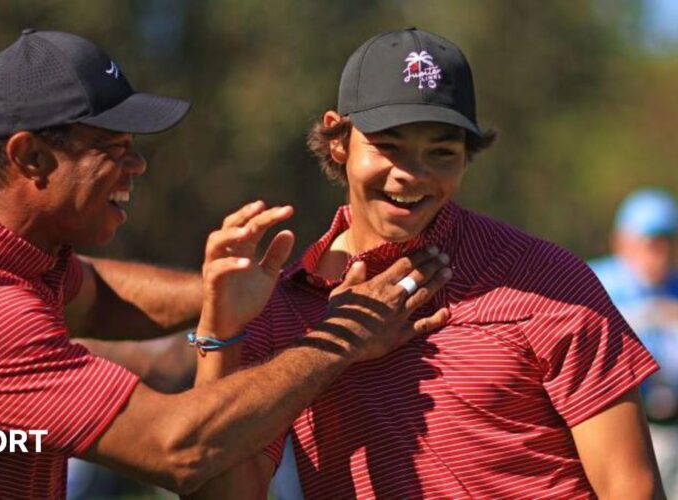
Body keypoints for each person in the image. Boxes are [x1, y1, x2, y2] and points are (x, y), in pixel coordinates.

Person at [0, 30, 451, 498]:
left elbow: (98, 295)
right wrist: (342, 335)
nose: (137, 168)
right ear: (29, 156)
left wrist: (237, 294)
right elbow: (178, 446)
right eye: (112, 148)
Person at [188, 28, 664, 499]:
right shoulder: (283, 304)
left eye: (441, 152)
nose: (412, 175)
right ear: (339, 139)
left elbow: (632, 487)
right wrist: (221, 329)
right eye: (388, 146)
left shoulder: (545, 278)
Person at [590, 188, 678, 497]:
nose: (658, 251)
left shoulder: (674, 286)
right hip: (618, 424)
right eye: (649, 241)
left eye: (665, 241)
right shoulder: (595, 282)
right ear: (622, 241)